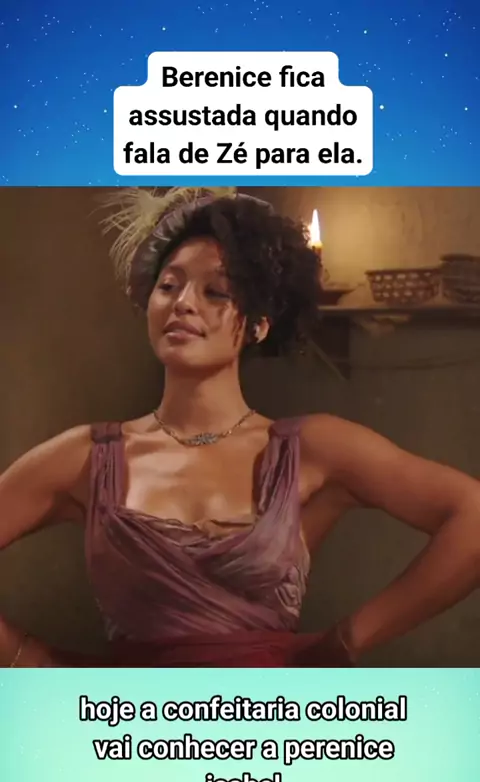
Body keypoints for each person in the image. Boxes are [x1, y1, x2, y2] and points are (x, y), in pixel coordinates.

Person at [1, 187, 479, 668]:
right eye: (169, 286)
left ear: (258, 325)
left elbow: (471, 517)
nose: (183, 303)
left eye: (216, 292)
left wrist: (346, 641)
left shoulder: (312, 449)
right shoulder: (88, 456)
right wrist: (32, 661)